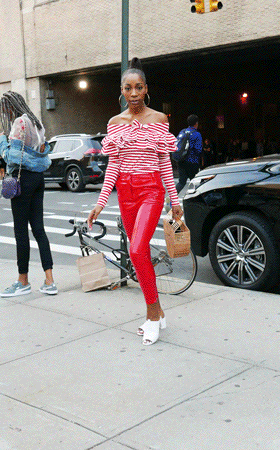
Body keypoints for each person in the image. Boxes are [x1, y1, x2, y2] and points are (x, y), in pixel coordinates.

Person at [87, 57, 183, 346]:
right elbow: (113, 167)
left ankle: (152, 315)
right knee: (137, 256)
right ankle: (158, 310)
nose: (132, 93)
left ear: (146, 89)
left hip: (151, 190)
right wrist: (101, 203)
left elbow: (165, 162)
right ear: (121, 90)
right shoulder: (115, 125)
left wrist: (174, 200)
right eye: (127, 88)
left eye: (138, 87)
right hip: (126, 193)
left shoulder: (159, 120)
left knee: (138, 248)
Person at [0, 114, 57, 297]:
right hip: (38, 178)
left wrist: (1, 139)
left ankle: (22, 280)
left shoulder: (20, 123)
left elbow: (12, 156)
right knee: (39, 229)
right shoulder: (37, 123)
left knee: (21, 231)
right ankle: (49, 280)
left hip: (23, 179)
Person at [175, 114, 202, 193]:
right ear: (196, 123)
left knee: (181, 182)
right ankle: (195, 202)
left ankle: (171, 200)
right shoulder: (197, 134)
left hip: (181, 161)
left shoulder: (182, 131)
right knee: (195, 183)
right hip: (192, 162)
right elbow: (198, 150)